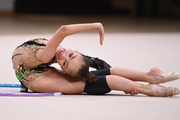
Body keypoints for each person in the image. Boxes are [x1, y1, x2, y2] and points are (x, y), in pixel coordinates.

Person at [11, 22, 180, 97]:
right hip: (35, 75)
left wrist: (126, 84)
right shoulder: (53, 54)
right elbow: (63, 31)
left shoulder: (57, 55)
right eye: (67, 60)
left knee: (104, 74)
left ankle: (149, 80)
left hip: (36, 72)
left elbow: (63, 30)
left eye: (67, 60)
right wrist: (96, 25)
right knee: (96, 77)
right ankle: (149, 85)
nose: (64, 55)